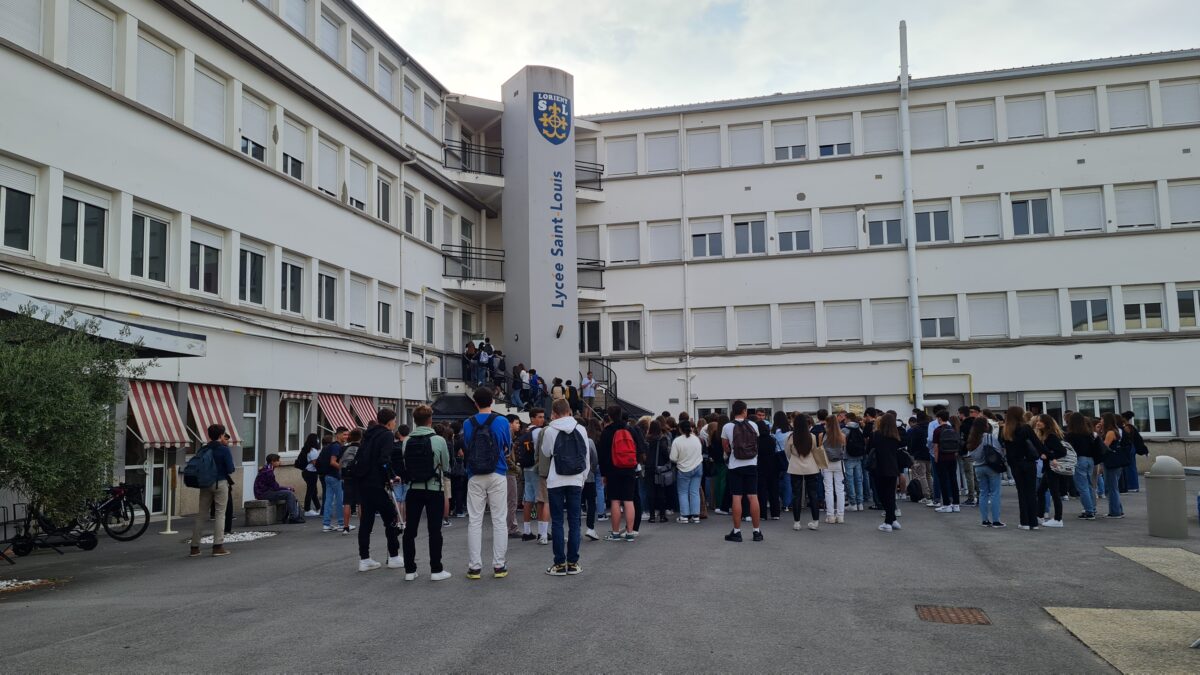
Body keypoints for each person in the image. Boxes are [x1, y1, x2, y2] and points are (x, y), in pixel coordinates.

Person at [462, 387, 512, 579]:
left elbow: (467, 445)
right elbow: (506, 447)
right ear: (492, 401)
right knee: (499, 520)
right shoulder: (501, 421)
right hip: (497, 472)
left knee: (475, 520)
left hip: (474, 474)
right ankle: (499, 565)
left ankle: (475, 567)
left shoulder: (468, 423)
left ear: (475, 403)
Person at [400, 405, 452, 581]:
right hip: (434, 488)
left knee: (410, 530)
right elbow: (445, 466)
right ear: (430, 420)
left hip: (413, 489)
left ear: (414, 420)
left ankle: (409, 570)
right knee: (434, 530)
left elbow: (406, 465)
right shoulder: (438, 440)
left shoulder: (407, 441)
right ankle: (436, 570)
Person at [539, 399, 589, 576]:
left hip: (556, 479)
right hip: (576, 478)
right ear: (569, 411)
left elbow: (546, 452)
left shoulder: (550, 430)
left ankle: (559, 563)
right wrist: (582, 478)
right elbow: (586, 456)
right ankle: (573, 562)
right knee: (575, 521)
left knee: (558, 521)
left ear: (554, 412)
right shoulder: (581, 429)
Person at [353, 410, 403, 572]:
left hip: (363, 481)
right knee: (391, 518)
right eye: (394, 421)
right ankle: (394, 556)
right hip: (377, 483)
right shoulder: (387, 435)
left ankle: (364, 558)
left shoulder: (369, 434)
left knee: (366, 522)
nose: (395, 423)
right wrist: (392, 477)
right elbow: (384, 459)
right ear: (389, 422)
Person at [189, 424, 236, 557]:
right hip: (220, 482)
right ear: (221, 435)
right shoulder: (223, 449)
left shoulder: (204, 449)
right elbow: (231, 469)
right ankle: (217, 546)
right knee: (220, 514)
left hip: (205, 484)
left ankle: (194, 547)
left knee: (201, 515)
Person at [598, 405, 644, 541]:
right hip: (630, 468)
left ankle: (616, 532)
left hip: (613, 469)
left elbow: (603, 454)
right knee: (629, 500)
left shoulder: (607, 431)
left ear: (609, 416)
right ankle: (630, 532)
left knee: (615, 500)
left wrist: (604, 473)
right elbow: (640, 448)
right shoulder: (631, 429)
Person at [999, 406, 1046, 530]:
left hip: (1015, 464)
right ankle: (1034, 522)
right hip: (1029, 462)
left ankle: (1024, 522)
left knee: (1022, 492)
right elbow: (1037, 443)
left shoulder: (1005, 430)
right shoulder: (1026, 428)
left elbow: (1003, 447)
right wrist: (1049, 455)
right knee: (1031, 492)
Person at [722, 401, 763, 542]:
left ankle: (737, 532)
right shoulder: (753, 425)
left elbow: (726, 447)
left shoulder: (727, 426)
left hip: (735, 465)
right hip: (752, 463)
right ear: (745, 411)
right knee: (753, 496)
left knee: (737, 497)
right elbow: (756, 444)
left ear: (733, 411)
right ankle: (756, 532)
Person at [785, 414, 826, 531]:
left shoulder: (791, 437)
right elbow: (814, 451)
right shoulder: (812, 436)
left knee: (796, 495)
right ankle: (815, 521)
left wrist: (794, 459)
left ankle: (797, 522)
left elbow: (787, 452)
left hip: (795, 467)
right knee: (813, 494)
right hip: (811, 467)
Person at [966, 417, 1005, 527]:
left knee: (983, 493)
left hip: (978, 467)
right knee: (995, 493)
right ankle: (996, 520)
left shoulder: (972, 439)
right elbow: (998, 450)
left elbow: (970, 454)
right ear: (985, 426)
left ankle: (984, 520)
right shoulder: (989, 437)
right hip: (991, 467)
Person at [869, 413, 904, 532]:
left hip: (879, 468)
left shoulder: (876, 435)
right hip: (893, 468)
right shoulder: (896, 436)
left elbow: (870, 449)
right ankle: (892, 519)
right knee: (890, 495)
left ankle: (888, 522)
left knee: (882, 495)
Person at [1064, 412, 1099, 520]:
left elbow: (1068, 449)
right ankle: (1092, 508)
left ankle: (1089, 511)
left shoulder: (1071, 435)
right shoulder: (1089, 433)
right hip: (1090, 460)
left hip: (1079, 460)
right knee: (1089, 485)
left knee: (1082, 487)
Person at [1034, 414, 1067, 528]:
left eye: (1040, 421)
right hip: (1049, 468)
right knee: (1041, 491)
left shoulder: (1051, 436)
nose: (1038, 423)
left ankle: (1058, 519)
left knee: (1054, 493)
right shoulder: (1045, 435)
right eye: (1037, 421)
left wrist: (1050, 457)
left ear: (1046, 423)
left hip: (1053, 469)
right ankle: (1040, 515)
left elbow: (1062, 452)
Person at [253, 453, 304, 523]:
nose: (280, 462)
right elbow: (276, 488)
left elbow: (274, 486)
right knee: (289, 494)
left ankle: (290, 516)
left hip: (263, 492)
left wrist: (286, 488)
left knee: (287, 494)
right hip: (264, 493)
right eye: (278, 461)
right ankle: (294, 517)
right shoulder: (268, 472)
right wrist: (288, 488)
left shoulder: (267, 468)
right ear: (272, 462)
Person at [670, 419, 704, 523]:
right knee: (694, 492)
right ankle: (696, 515)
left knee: (683, 492)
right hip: (698, 467)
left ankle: (684, 515)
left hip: (683, 469)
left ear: (680, 429)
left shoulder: (677, 441)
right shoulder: (696, 439)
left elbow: (673, 458)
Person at [320, 427, 350, 533]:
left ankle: (326, 524)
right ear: (338, 435)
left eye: (347, 435)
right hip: (334, 476)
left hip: (327, 476)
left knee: (328, 500)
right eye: (344, 435)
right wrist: (344, 469)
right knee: (340, 500)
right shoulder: (336, 447)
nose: (346, 437)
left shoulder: (331, 446)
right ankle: (341, 523)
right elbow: (333, 462)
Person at [931, 410, 961, 514]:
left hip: (942, 458)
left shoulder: (937, 430)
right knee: (953, 480)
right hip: (952, 458)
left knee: (943, 481)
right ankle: (956, 504)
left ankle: (947, 504)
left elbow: (935, 447)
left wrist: (936, 459)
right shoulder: (952, 429)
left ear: (939, 418)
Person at [754, 409, 781, 520]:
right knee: (774, 490)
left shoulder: (756, 440)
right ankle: (775, 514)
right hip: (773, 466)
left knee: (762, 491)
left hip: (760, 466)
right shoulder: (772, 439)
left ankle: (763, 514)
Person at [1099, 412, 1127, 519]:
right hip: (1114, 462)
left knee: (1112, 487)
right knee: (1113, 487)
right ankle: (1117, 510)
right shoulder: (1113, 431)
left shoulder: (1110, 432)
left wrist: (1098, 436)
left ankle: (1115, 512)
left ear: (1106, 421)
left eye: (1102, 419)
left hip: (1111, 462)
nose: (1100, 421)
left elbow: (1104, 446)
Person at [821, 416, 847, 524]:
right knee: (840, 490)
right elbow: (844, 449)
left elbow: (820, 450)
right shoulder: (842, 436)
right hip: (839, 463)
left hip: (826, 463)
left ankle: (830, 516)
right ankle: (840, 516)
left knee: (828, 490)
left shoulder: (822, 435)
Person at [647, 420, 672, 522]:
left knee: (651, 492)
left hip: (649, 468)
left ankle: (652, 516)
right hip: (660, 468)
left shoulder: (647, 439)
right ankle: (662, 515)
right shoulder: (662, 439)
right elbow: (666, 454)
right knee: (661, 492)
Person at [842, 412, 868, 511]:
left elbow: (841, 444)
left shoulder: (844, 430)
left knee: (849, 480)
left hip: (848, 457)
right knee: (858, 480)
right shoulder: (859, 429)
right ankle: (860, 503)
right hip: (859, 457)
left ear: (848, 419)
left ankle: (853, 503)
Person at [581, 417, 602, 540]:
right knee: (591, 502)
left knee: (576, 503)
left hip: (575, 478)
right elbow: (595, 459)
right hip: (589, 476)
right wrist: (592, 470)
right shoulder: (589, 442)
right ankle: (590, 528)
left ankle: (575, 528)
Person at [907, 412, 933, 505]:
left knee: (921, 475)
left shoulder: (916, 429)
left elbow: (912, 442)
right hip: (929, 453)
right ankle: (932, 492)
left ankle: (926, 495)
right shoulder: (930, 426)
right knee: (929, 474)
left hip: (919, 454)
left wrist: (912, 452)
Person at [299, 433, 322, 516]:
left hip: (307, 472)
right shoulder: (313, 451)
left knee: (313, 491)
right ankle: (307, 509)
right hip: (311, 473)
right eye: (317, 439)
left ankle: (318, 508)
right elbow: (316, 463)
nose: (318, 441)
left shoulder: (307, 449)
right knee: (311, 491)